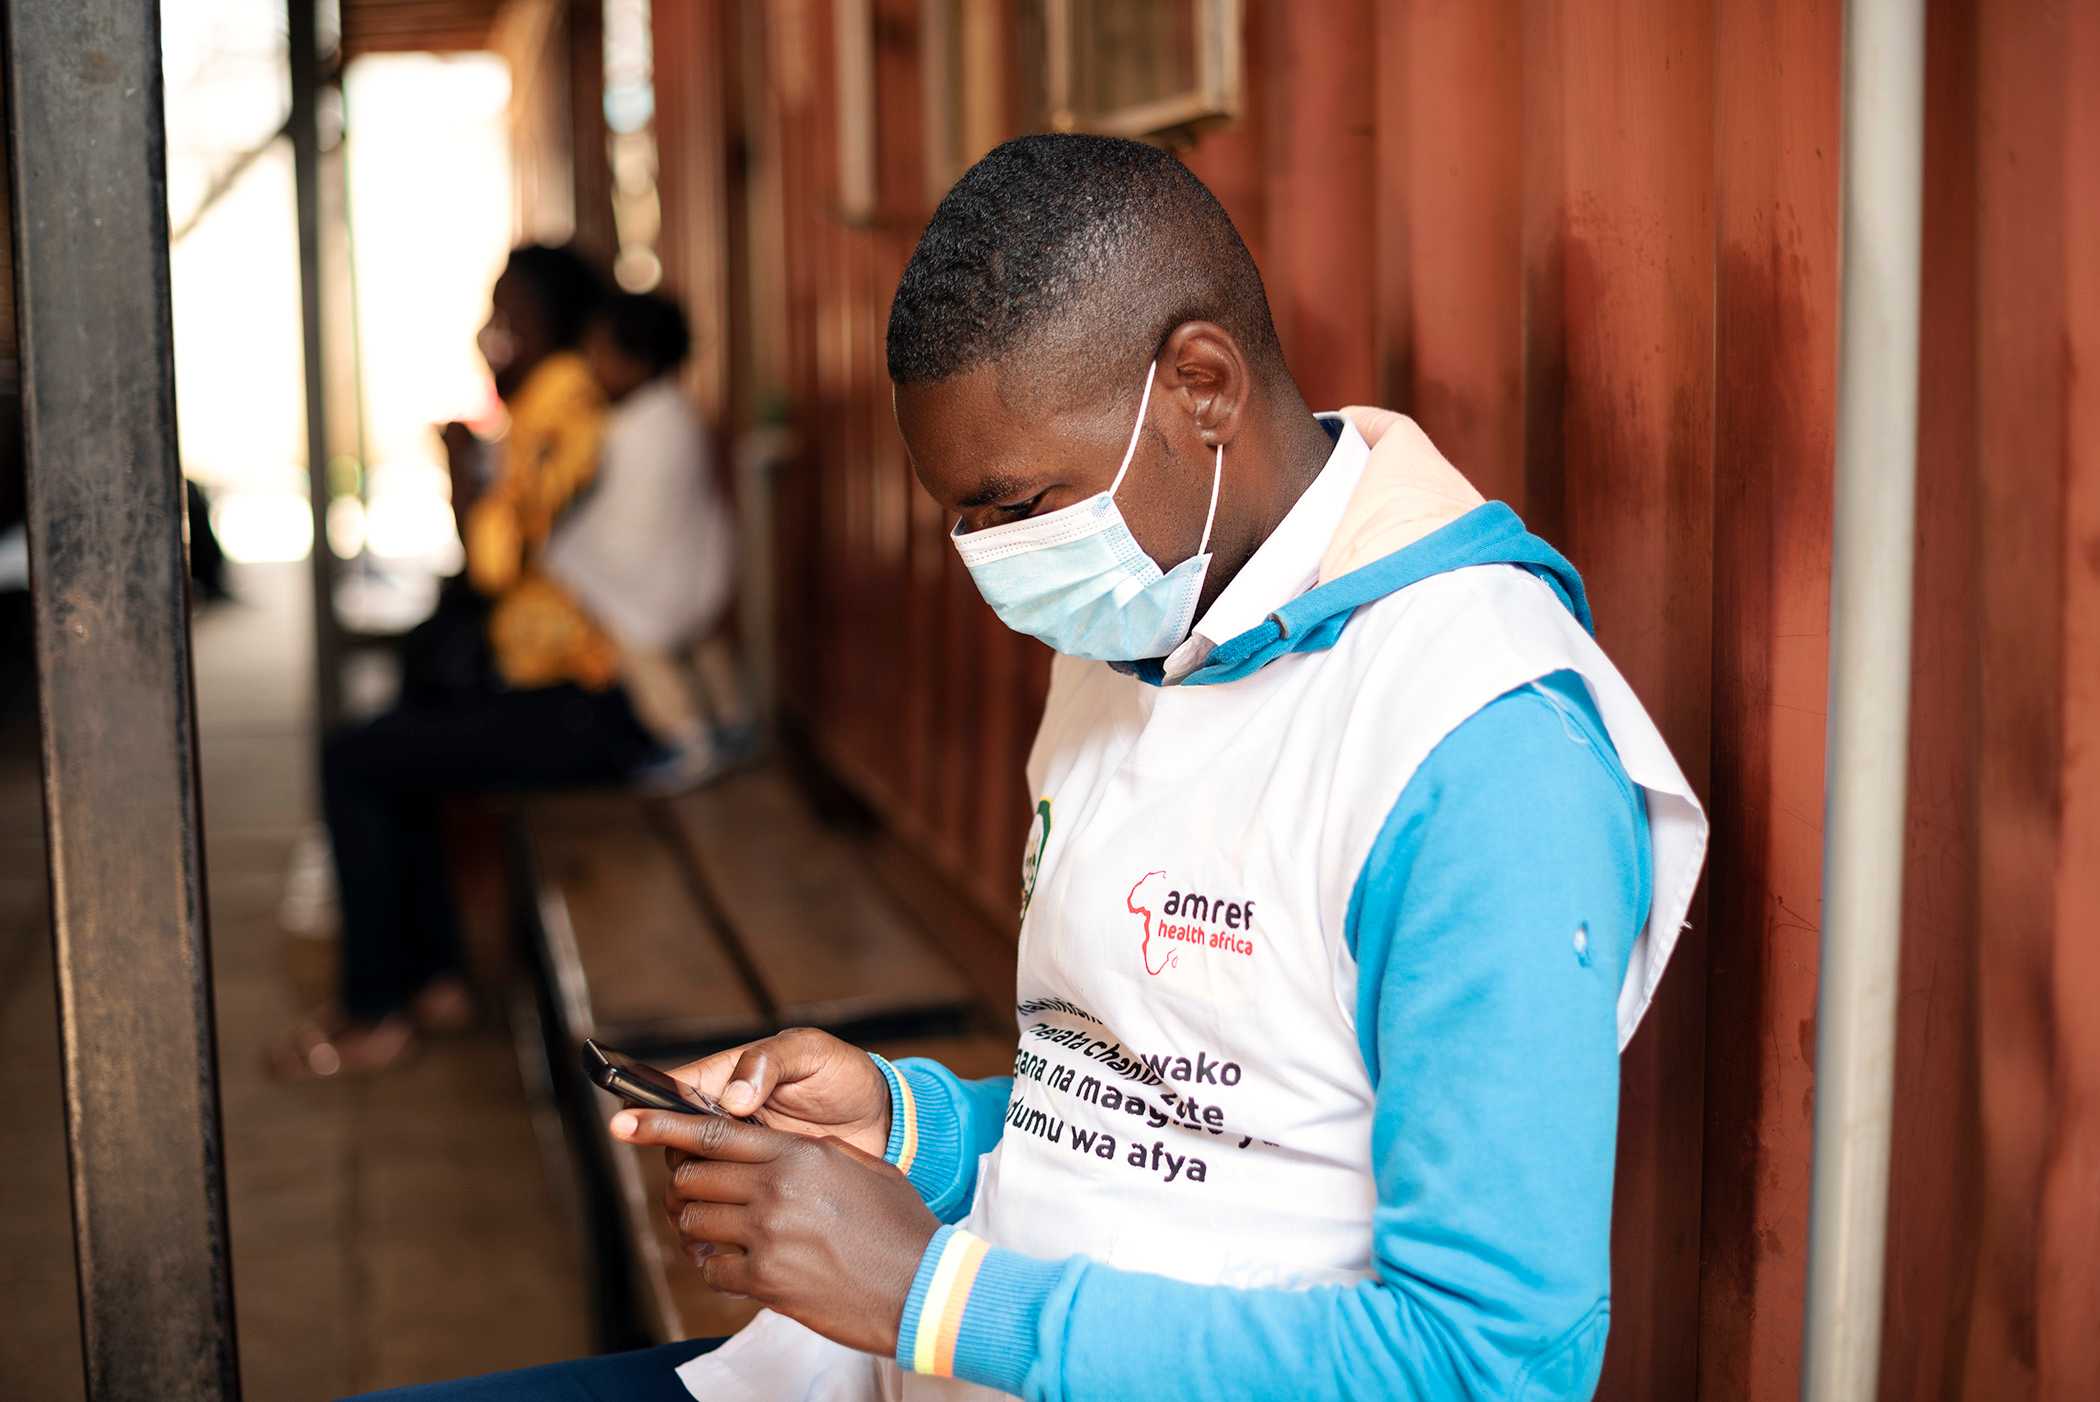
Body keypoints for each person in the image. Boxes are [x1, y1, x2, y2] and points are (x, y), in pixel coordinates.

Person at [357, 135, 1706, 1400]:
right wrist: (905, 1121)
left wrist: (932, 1294)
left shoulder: (1479, 747)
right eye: (961, 514)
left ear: (1202, 386)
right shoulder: (1145, 611)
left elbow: (1485, 1362)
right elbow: (1168, 1116)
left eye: (1019, 507)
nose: (992, 558)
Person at [275, 245, 668, 1080]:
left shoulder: (561, 397)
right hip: (564, 691)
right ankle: (434, 982)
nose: (491, 336)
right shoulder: (552, 398)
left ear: (551, 324)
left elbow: (496, 559)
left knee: (357, 760)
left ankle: (383, 1005)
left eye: (509, 317)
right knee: (395, 740)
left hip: (587, 704)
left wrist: (461, 472)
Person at [547, 290, 754, 790]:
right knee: (703, 644)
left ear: (635, 360)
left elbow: (632, 514)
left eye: (600, 353)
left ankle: (687, 738)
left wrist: (574, 538)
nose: (591, 365)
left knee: (642, 642)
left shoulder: (636, 425)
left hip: (655, 571)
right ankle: (735, 724)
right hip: (696, 563)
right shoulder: (677, 412)